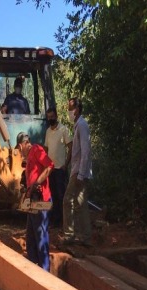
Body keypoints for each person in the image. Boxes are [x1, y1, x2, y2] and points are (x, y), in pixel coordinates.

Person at [17, 131, 54, 271]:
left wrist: (37, 183)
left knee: (41, 236)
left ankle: (45, 272)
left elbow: (50, 165)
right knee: (31, 238)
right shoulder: (28, 158)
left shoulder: (37, 149)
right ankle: (33, 270)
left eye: (19, 149)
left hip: (41, 200)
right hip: (32, 201)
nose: (20, 152)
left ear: (23, 145)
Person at [62, 97, 92, 246]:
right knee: (80, 203)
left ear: (77, 109)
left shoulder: (82, 125)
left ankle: (70, 235)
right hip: (78, 170)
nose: (68, 111)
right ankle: (84, 236)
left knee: (67, 200)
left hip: (79, 171)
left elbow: (86, 151)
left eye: (70, 108)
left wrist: (80, 173)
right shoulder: (77, 126)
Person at [44, 108, 72, 227]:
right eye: (48, 117)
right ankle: (55, 220)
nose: (50, 119)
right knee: (53, 195)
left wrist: (66, 164)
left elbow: (71, 146)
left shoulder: (64, 129)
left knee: (62, 195)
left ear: (56, 116)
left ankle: (65, 221)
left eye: (52, 116)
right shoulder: (48, 132)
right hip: (50, 169)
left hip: (60, 169)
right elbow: (46, 149)